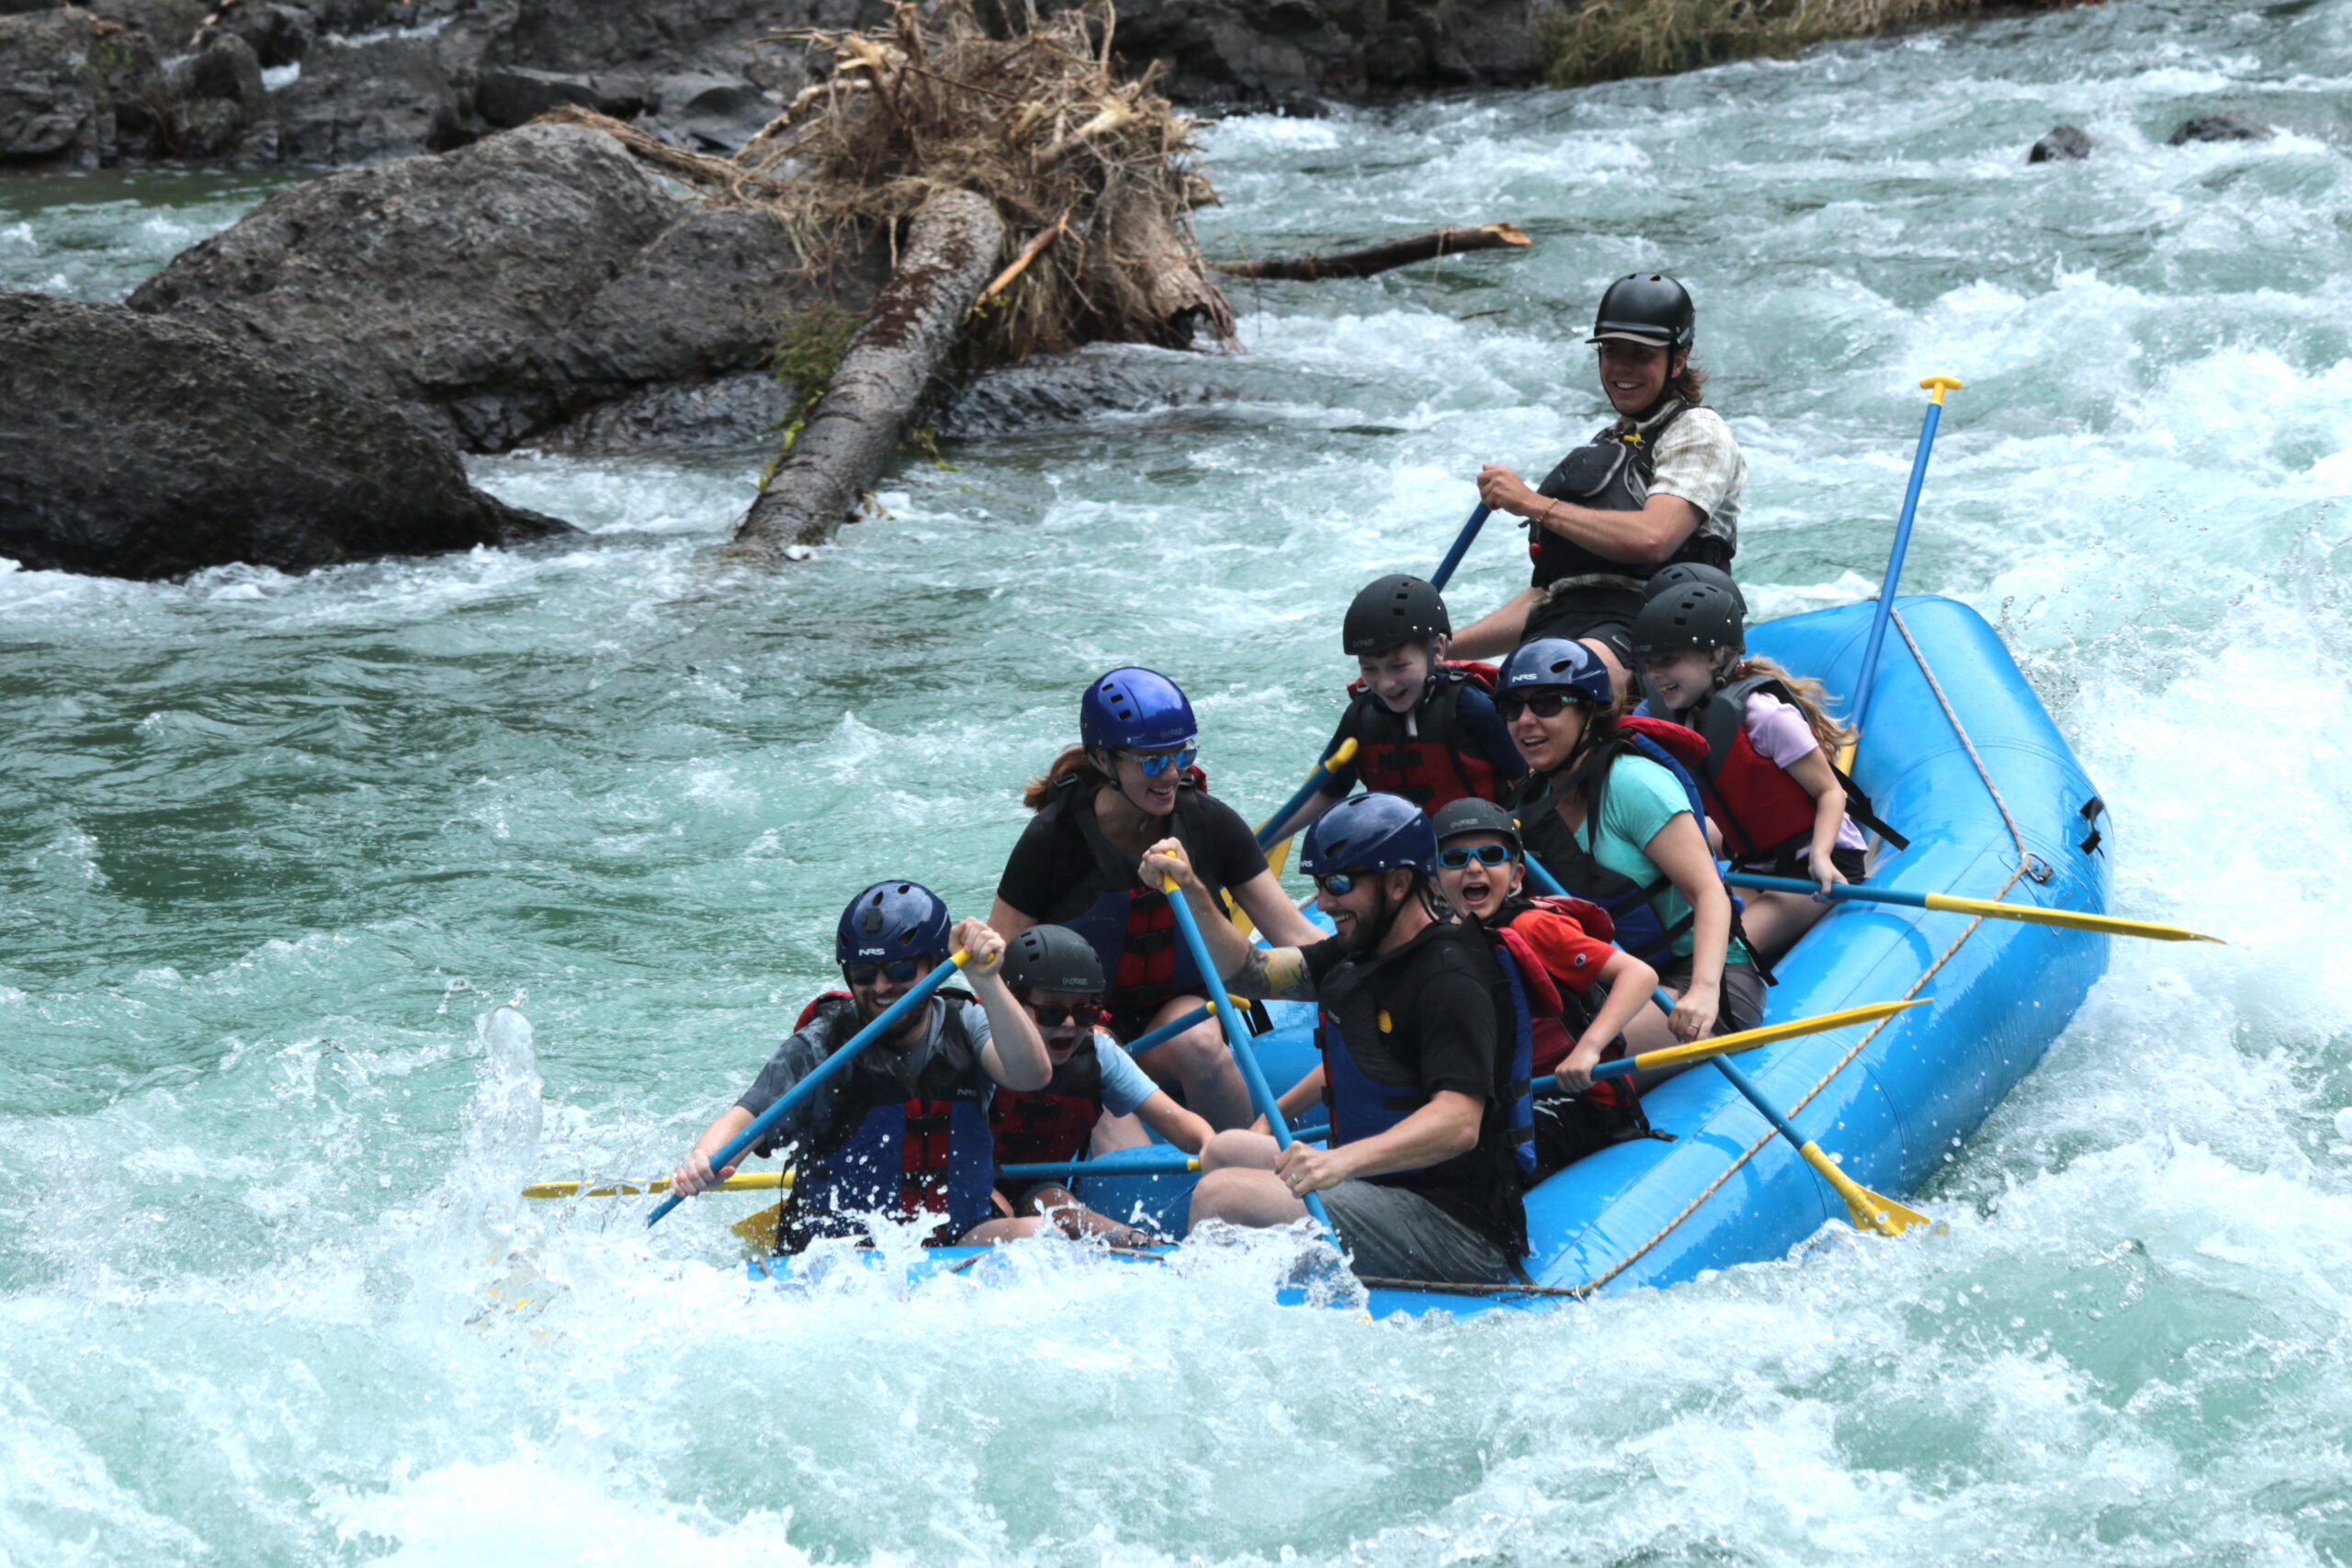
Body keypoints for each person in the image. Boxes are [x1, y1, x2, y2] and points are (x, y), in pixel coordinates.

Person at [1148, 795, 1531, 1286]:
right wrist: (1193, 889)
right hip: (1378, 1188)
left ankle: (1210, 1319)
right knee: (1224, 1151)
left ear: (1398, 883)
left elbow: (1459, 1123)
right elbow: (1251, 973)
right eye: (1322, 887)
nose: (1325, 903)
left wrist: (1338, 1161)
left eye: (1340, 885)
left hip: (1456, 1229)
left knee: (1222, 1195)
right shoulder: (1363, 953)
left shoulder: (1450, 978)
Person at [992, 667, 1325, 1130]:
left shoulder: (1210, 823)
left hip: (1176, 1014)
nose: (1171, 773)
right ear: (1104, 760)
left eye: (1181, 754)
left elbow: (1297, 937)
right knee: (1096, 1055)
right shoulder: (1053, 839)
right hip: (1074, 1023)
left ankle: (1242, 1167)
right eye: (1151, 761)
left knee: (1202, 1043)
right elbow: (997, 968)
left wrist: (1374, 976)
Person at [668, 881, 1052, 1252]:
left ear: (935, 965)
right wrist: (704, 1161)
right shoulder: (821, 1044)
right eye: (864, 975)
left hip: (958, 1238)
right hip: (844, 1250)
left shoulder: (966, 1022)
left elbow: (1031, 1075)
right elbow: (742, 1121)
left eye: (900, 971)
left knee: (1042, 1234)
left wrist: (985, 980)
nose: (881, 987)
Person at [1452, 273, 1747, 693]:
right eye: (1611, 352)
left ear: (1678, 360)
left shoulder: (1698, 431)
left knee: (1556, 682)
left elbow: (1654, 539)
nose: (1622, 367)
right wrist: (1439, 649)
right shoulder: (1606, 445)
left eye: (1641, 354)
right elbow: (1544, 597)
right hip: (1564, 628)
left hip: (1654, 628)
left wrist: (1534, 504)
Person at [1496, 637, 1767, 1059]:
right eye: (1512, 708)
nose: (1525, 721)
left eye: (1546, 704)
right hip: (1616, 982)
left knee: (1557, 1061)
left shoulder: (1632, 783)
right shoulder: (1531, 801)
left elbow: (1709, 891)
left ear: (1588, 709)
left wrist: (1704, 991)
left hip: (1702, 982)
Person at [1630, 578, 1906, 963]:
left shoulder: (1765, 715)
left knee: (1720, 955)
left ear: (1713, 658)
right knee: (1677, 945)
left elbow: (1830, 793)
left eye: (1668, 660)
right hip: (1755, 863)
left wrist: (1821, 857)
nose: (1655, 675)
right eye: (1647, 665)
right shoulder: (1686, 721)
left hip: (1811, 869)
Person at [1429, 797, 1666, 1177]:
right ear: (1435, 883)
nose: (1474, 867)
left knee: (1474, 1159)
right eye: (1455, 859)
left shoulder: (1534, 928)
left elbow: (1640, 975)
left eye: (1490, 855)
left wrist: (1588, 1050)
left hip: (1579, 1099)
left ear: (1517, 875)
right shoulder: (1441, 945)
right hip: (1511, 1098)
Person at [967, 923, 1215, 1244]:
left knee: (1067, 1212)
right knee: (999, 1209)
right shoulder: (977, 1043)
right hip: (972, 1183)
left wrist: (1211, 1149)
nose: (1070, 1025)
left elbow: (1177, 1120)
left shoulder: (1098, 1052)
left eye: (1084, 1013)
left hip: (1039, 1184)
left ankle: (1152, 1249)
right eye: (1051, 1013)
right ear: (1012, 1004)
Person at [1265, 575, 1525, 842]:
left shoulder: (1470, 706)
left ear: (1437, 649)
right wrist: (1261, 842)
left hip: (1480, 856)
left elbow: (1527, 782)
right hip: (1406, 862)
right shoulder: (1361, 718)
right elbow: (1326, 793)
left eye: (1398, 666)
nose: (1385, 683)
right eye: (1369, 669)